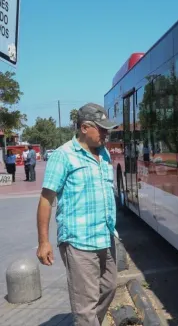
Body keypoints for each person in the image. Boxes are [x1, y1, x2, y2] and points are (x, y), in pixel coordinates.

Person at [36, 102, 119, 325]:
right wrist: (43, 242)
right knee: (85, 306)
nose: (106, 134)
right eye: (101, 129)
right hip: (78, 241)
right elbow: (46, 200)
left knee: (109, 287)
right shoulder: (63, 156)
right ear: (84, 127)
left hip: (105, 236)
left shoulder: (104, 153)